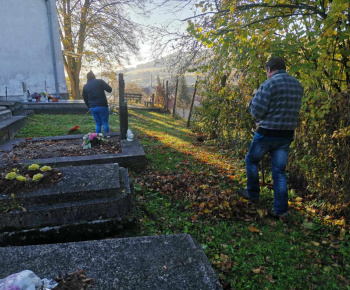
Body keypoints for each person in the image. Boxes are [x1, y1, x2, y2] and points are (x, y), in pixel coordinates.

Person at [241, 57, 303, 219]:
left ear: (269, 69)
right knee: (279, 172)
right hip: (286, 135)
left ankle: (253, 193)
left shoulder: (268, 84)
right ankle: (281, 210)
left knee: (252, 161)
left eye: (266, 71)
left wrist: (253, 99)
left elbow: (257, 111)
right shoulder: (297, 85)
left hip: (266, 133)